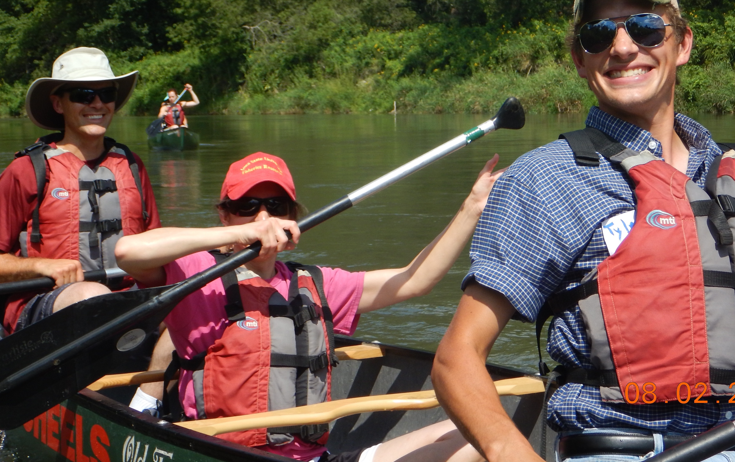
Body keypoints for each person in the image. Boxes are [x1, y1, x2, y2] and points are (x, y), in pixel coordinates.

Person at [431, 0, 735, 462]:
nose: (623, 47)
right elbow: (455, 359)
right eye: (598, 35)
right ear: (580, 59)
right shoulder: (548, 178)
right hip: (623, 450)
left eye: (645, 27)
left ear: (682, 44)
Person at [115, 151, 503, 462]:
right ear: (225, 213)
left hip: (315, 458)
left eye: (276, 205)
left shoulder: (315, 283)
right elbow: (129, 251)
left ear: (293, 217)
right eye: (248, 206)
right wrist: (240, 234)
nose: (263, 217)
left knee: (477, 438)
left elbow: (414, 280)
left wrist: (471, 208)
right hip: (223, 452)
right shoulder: (196, 272)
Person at [0, 46, 162, 335]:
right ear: (58, 104)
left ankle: (152, 381)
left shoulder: (132, 165)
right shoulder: (26, 170)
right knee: (91, 298)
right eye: (83, 95)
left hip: (128, 298)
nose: (97, 104)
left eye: (106, 95)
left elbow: (156, 245)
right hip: (48, 303)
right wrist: (42, 266)